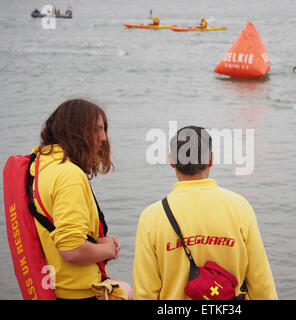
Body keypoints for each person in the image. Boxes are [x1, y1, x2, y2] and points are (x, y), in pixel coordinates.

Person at [133, 125, 278, 300]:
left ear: (172, 161)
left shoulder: (152, 217)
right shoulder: (239, 207)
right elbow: (260, 281)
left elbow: (145, 293)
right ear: (211, 159)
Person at [31, 98, 132, 300]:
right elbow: (72, 250)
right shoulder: (69, 175)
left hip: (52, 286)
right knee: (130, 291)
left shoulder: (41, 166)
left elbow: (56, 228)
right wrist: (107, 248)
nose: (103, 138)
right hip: (78, 292)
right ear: (75, 132)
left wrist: (95, 242)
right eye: (97, 130)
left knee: (126, 288)